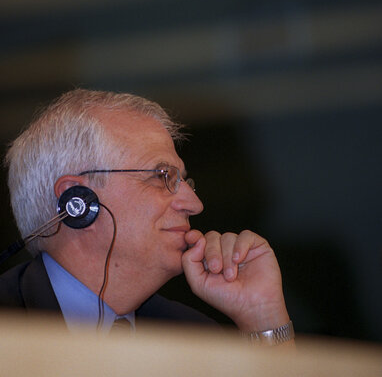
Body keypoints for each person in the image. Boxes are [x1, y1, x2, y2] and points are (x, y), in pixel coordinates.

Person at [0, 89, 294, 346]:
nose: (195, 204)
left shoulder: (192, 336)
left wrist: (261, 317)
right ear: (77, 201)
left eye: (184, 182)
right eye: (162, 176)